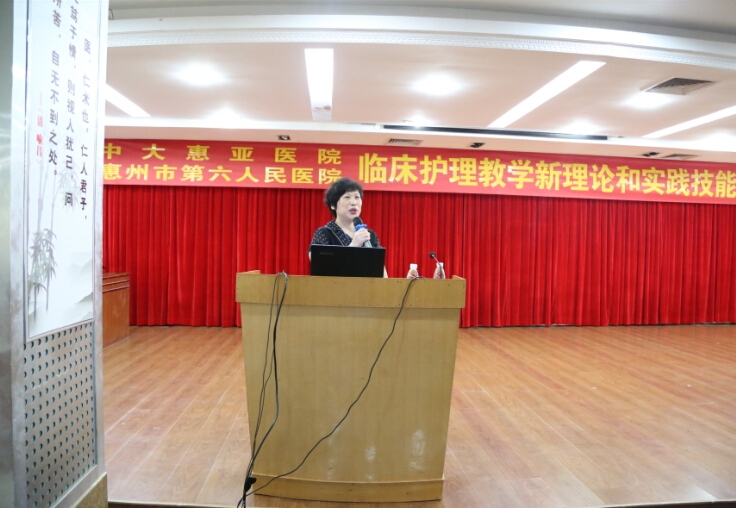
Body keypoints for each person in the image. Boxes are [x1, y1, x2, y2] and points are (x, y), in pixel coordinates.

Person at [309, 178, 387, 277]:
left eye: (357, 197)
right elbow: (320, 267)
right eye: (347, 197)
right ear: (333, 205)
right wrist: (354, 246)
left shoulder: (369, 235)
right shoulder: (325, 233)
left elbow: (382, 274)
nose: (354, 202)